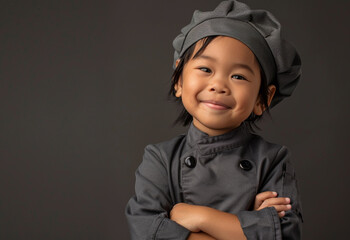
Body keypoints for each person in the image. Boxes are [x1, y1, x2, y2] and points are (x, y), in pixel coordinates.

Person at [125, 0, 303, 239]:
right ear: (178, 79)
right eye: (206, 69)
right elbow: (146, 231)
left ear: (264, 98)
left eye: (238, 76)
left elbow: (286, 233)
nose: (218, 85)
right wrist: (245, 226)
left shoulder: (273, 160)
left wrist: (199, 217)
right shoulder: (160, 159)